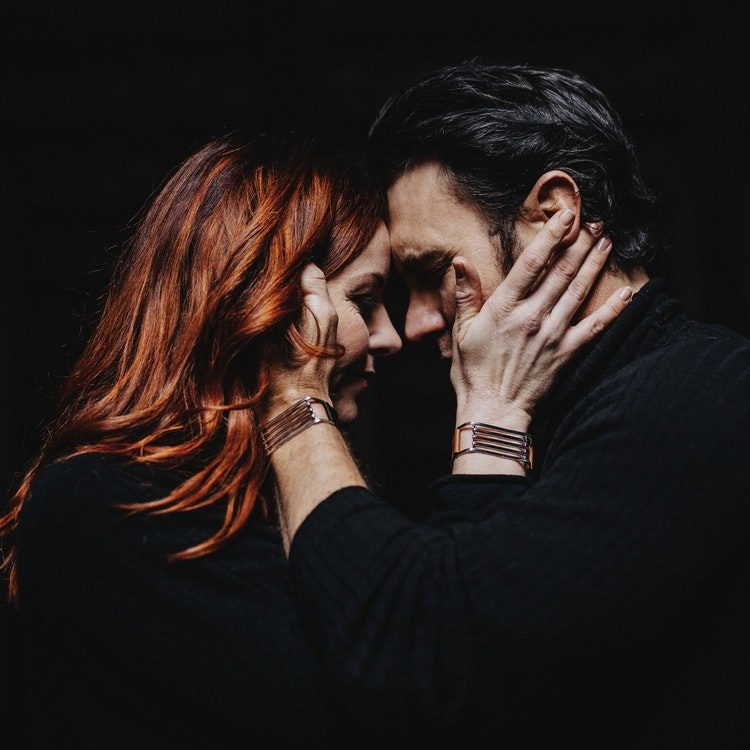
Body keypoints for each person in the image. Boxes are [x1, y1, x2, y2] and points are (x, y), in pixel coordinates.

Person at [262, 62, 750, 748]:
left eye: (433, 275)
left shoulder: (698, 396)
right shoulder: (569, 410)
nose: (418, 323)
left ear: (553, 215)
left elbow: (429, 672)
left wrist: (292, 399)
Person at [0, 131, 406, 748]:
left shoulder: (280, 489)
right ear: (273, 303)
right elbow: (384, 707)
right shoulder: (104, 499)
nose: (391, 337)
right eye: (366, 300)